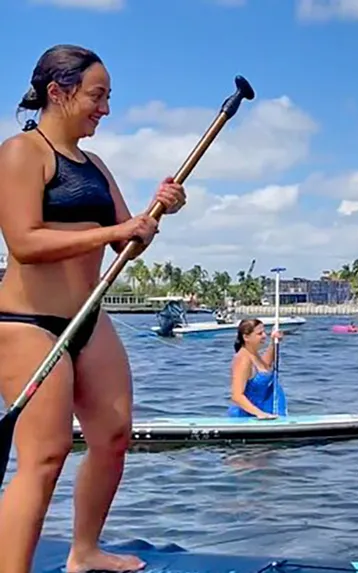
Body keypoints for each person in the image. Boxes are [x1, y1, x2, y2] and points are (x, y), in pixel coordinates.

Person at [0, 45, 186, 573]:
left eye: (108, 97)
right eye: (97, 95)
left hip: (89, 319)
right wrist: (117, 230)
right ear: (58, 93)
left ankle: (83, 553)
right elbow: (24, 243)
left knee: (113, 436)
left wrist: (157, 212)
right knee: (45, 456)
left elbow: (130, 239)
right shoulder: (21, 153)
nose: (105, 108)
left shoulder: (97, 164)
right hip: (27, 323)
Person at [228, 318, 287, 419]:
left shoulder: (253, 354)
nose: (264, 335)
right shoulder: (243, 359)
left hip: (263, 411)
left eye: (264, 332)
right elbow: (236, 396)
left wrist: (274, 343)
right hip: (246, 417)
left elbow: (265, 367)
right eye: (259, 334)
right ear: (246, 337)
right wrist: (259, 413)